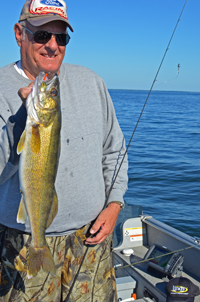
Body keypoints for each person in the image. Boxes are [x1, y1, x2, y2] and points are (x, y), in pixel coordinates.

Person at [0, 0, 128, 301]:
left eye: (62, 38)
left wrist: (114, 204)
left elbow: (114, 150)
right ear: (20, 34)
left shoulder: (93, 83)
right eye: (42, 35)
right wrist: (21, 122)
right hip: (22, 241)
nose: (53, 46)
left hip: (90, 239)